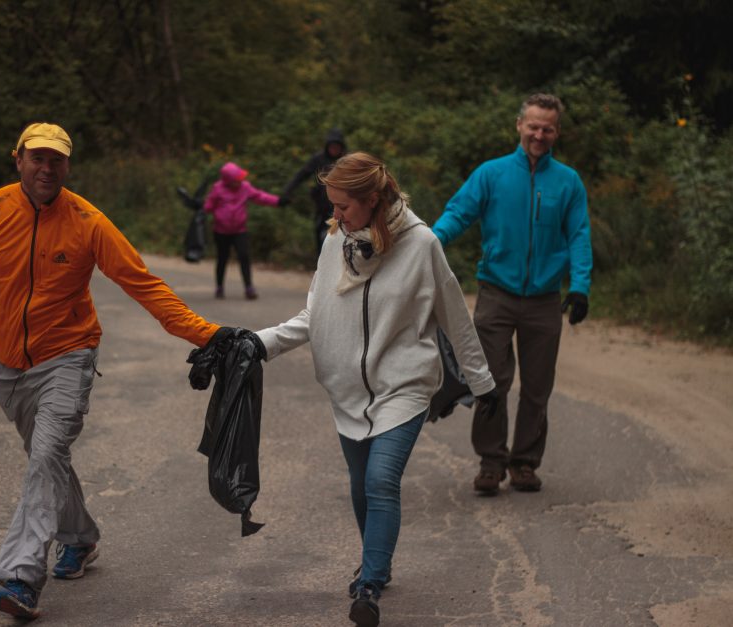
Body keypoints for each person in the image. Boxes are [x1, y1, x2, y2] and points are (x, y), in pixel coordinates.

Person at [0, 122, 223, 620]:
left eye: (57, 160)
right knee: (48, 461)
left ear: (68, 165)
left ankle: (21, 576)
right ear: (18, 159)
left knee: (45, 456)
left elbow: (143, 283)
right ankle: (81, 537)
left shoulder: (88, 221)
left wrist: (208, 335)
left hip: (68, 355)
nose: (47, 169)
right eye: (37, 158)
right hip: (7, 368)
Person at [252, 152, 498, 627]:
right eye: (333, 207)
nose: (335, 216)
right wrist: (259, 344)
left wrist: (481, 383)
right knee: (361, 485)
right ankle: (376, 565)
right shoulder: (334, 242)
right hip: (347, 391)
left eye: (343, 206)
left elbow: (455, 316)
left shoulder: (422, 244)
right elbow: (314, 315)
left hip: (403, 385)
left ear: (371, 199)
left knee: (382, 481)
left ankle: (369, 583)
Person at [431, 93, 593, 496]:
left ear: (557, 132)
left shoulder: (568, 181)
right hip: (497, 294)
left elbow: (578, 235)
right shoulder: (492, 174)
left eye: (548, 128)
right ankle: (491, 462)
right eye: (533, 126)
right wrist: (427, 245)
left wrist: (581, 286)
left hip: (543, 300)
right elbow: (458, 213)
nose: (539, 134)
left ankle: (524, 463)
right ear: (519, 125)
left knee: (538, 387)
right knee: (491, 381)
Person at [203, 161, 286, 300]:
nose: (240, 181)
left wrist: (278, 201)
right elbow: (208, 207)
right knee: (222, 259)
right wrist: (204, 207)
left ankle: (249, 288)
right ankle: (219, 287)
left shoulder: (245, 187)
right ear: (228, 181)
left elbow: (260, 196)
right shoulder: (217, 189)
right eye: (237, 180)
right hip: (221, 231)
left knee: (244, 256)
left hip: (240, 230)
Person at [281, 128, 347, 257]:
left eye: (337, 147)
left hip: (343, 208)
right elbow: (302, 174)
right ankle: (321, 268)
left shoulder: (347, 160)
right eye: (332, 146)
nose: (334, 149)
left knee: (340, 239)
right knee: (321, 239)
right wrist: (287, 191)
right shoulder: (319, 159)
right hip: (322, 207)